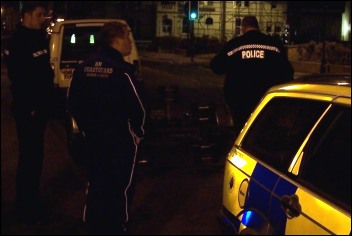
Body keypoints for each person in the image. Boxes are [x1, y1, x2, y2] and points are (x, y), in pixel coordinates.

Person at [67, 21, 146, 235]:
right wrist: (138, 133)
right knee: (120, 186)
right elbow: (138, 106)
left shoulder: (83, 67)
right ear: (118, 39)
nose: (130, 43)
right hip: (120, 139)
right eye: (128, 38)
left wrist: (86, 128)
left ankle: (93, 223)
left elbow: (73, 102)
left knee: (96, 181)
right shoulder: (123, 71)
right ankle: (115, 225)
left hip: (93, 137)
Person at [4, 1, 54, 224]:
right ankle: (25, 208)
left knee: (36, 158)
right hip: (29, 110)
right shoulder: (19, 42)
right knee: (29, 158)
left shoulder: (39, 38)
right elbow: (20, 78)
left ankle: (31, 201)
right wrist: (31, 106)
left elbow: (43, 72)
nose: (43, 18)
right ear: (26, 16)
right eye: (39, 15)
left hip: (39, 107)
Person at [210, 15, 294, 137]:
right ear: (257, 27)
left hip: (239, 99)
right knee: (266, 132)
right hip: (267, 100)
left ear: (243, 27)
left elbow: (216, 66)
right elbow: (287, 71)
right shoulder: (274, 45)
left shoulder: (234, 45)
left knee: (242, 131)